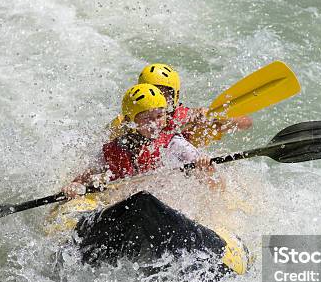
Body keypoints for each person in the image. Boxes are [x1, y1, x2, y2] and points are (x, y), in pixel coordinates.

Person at [63, 83, 224, 199]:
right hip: (125, 206)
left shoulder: (173, 144)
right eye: (147, 119)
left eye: (159, 116)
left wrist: (206, 168)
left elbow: (217, 186)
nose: (155, 124)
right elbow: (82, 178)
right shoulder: (113, 149)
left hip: (162, 205)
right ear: (130, 121)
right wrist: (74, 186)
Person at [109, 63, 253, 147]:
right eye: (152, 92)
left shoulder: (187, 118)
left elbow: (245, 122)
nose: (157, 100)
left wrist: (212, 115)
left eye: (163, 94)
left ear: (175, 96)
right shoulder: (126, 122)